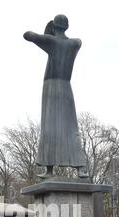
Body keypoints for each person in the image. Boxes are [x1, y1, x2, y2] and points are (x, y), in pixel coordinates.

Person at [24, 15, 87, 177]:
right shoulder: (75, 43)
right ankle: (80, 168)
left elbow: (28, 35)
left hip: (51, 86)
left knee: (49, 127)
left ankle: (49, 169)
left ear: (54, 27)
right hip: (66, 87)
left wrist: (48, 32)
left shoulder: (52, 42)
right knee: (71, 128)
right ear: (66, 26)